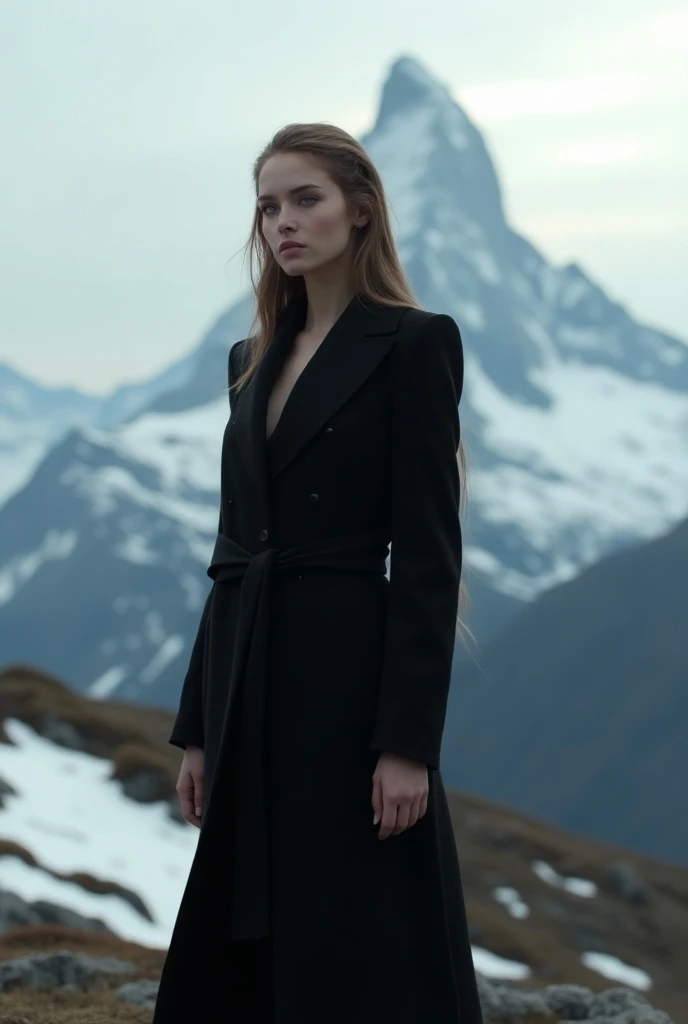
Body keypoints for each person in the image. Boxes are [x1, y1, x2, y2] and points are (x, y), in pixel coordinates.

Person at [152, 122, 483, 1024]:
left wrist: (408, 742)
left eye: (306, 199)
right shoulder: (248, 360)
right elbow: (232, 554)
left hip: (349, 678)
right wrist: (197, 726)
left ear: (360, 211)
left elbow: (427, 555)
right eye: (268, 206)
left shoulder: (416, 344)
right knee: (238, 951)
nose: (283, 223)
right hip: (248, 675)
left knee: (358, 931)